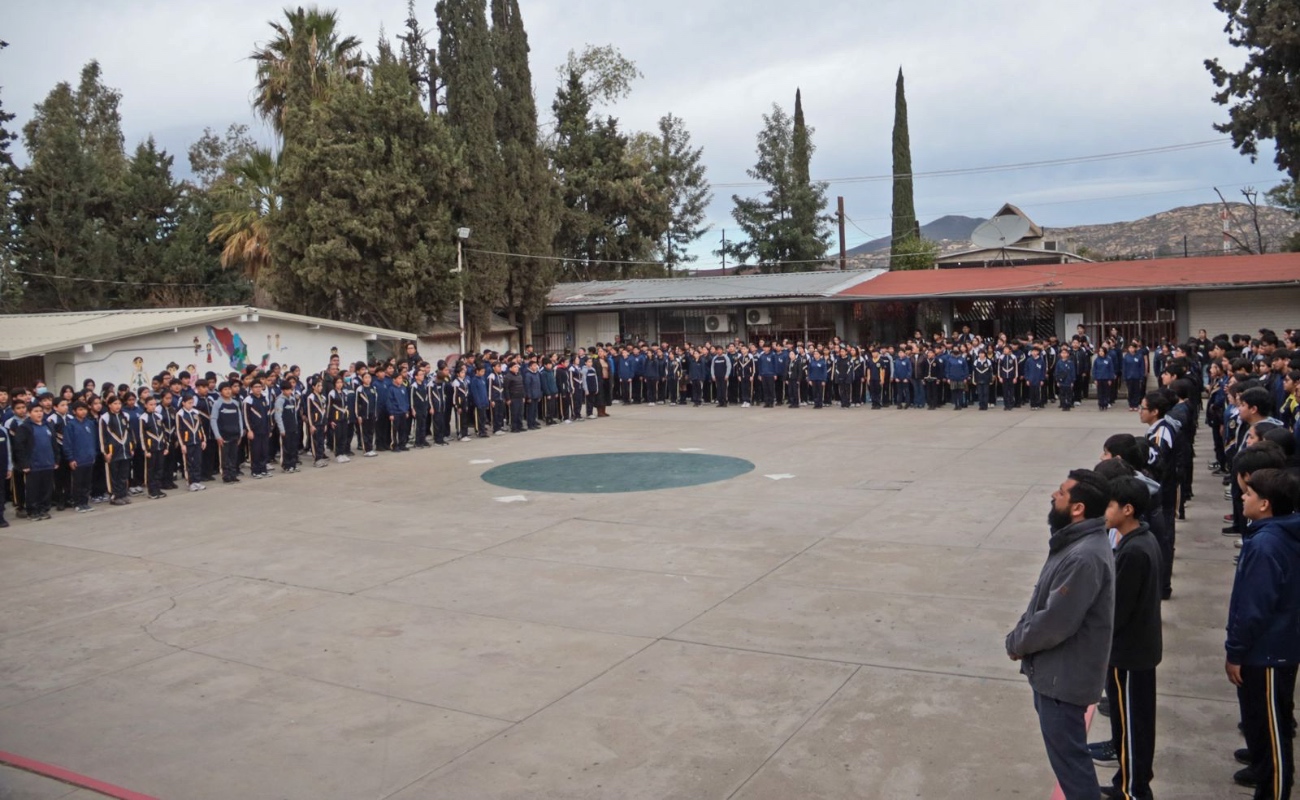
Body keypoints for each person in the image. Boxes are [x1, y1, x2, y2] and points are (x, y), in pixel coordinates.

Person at [1006, 469, 1116, 800]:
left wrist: (1017, 642)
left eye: (1061, 493)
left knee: (1071, 764)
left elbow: (1056, 621)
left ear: (1078, 507)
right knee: (1069, 760)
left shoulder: (1083, 556)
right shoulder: (1077, 543)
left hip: (1063, 680)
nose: (1054, 496)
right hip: (1060, 674)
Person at [1226, 468, 1300, 799]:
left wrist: (1236, 651)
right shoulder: (1272, 534)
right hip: (1272, 647)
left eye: (1249, 494)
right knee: (1263, 723)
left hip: (1267, 652)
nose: (1243, 496)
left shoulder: (1267, 545)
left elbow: (1254, 606)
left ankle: (1274, 790)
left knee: (1273, 736)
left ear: (1265, 503)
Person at [1088, 476, 1163, 800]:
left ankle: (1133, 790)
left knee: (1132, 724)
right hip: (1136, 651)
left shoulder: (1134, 552)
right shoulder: (1139, 540)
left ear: (1128, 509)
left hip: (1130, 655)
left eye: (1110, 505)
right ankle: (1129, 779)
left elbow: (1118, 611)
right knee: (1130, 722)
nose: (1105, 511)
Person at [13, 405, 59, 520]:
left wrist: (56, 460)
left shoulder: (47, 426)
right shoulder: (25, 428)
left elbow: (54, 444)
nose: (39, 414)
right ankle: (33, 511)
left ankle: (44, 509)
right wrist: (24, 464)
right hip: (33, 465)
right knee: (33, 490)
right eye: (35, 411)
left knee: (46, 489)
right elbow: (19, 447)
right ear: (29, 413)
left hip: (48, 463)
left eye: (40, 411)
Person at [63, 400, 97, 512]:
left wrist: (93, 454)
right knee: (78, 483)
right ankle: (77, 503)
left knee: (87, 482)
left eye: (85, 409)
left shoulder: (90, 423)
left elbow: (93, 440)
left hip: (89, 458)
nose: (83, 412)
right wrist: (71, 458)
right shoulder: (70, 425)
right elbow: (67, 443)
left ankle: (85, 502)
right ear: (74, 411)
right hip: (78, 459)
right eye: (80, 410)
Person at [98, 395, 133, 505]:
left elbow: (129, 432)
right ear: (109, 405)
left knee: (123, 473)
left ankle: (122, 494)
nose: (117, 406)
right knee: (113, 474)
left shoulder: (125, 416)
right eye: (115, 404)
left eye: (119, 403)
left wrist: (131, 447)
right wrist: (105, 452)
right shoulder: (105, 417)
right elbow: (102, 436)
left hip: (125, 450)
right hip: (112, 451)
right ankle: (114, 495)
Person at [177, 393, 207, 492]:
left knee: (198, 462)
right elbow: (178, 430)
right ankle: (190, 483)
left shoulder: (195, 412)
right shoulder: (180, 414)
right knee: (188, 463)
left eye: (192, 403)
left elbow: (200, 427)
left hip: (197, 441)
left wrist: (203, 440)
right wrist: (182, 444)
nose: (191, 405)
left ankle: (197, 481)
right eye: (189, 403)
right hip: (187, 442)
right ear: (183, 403)